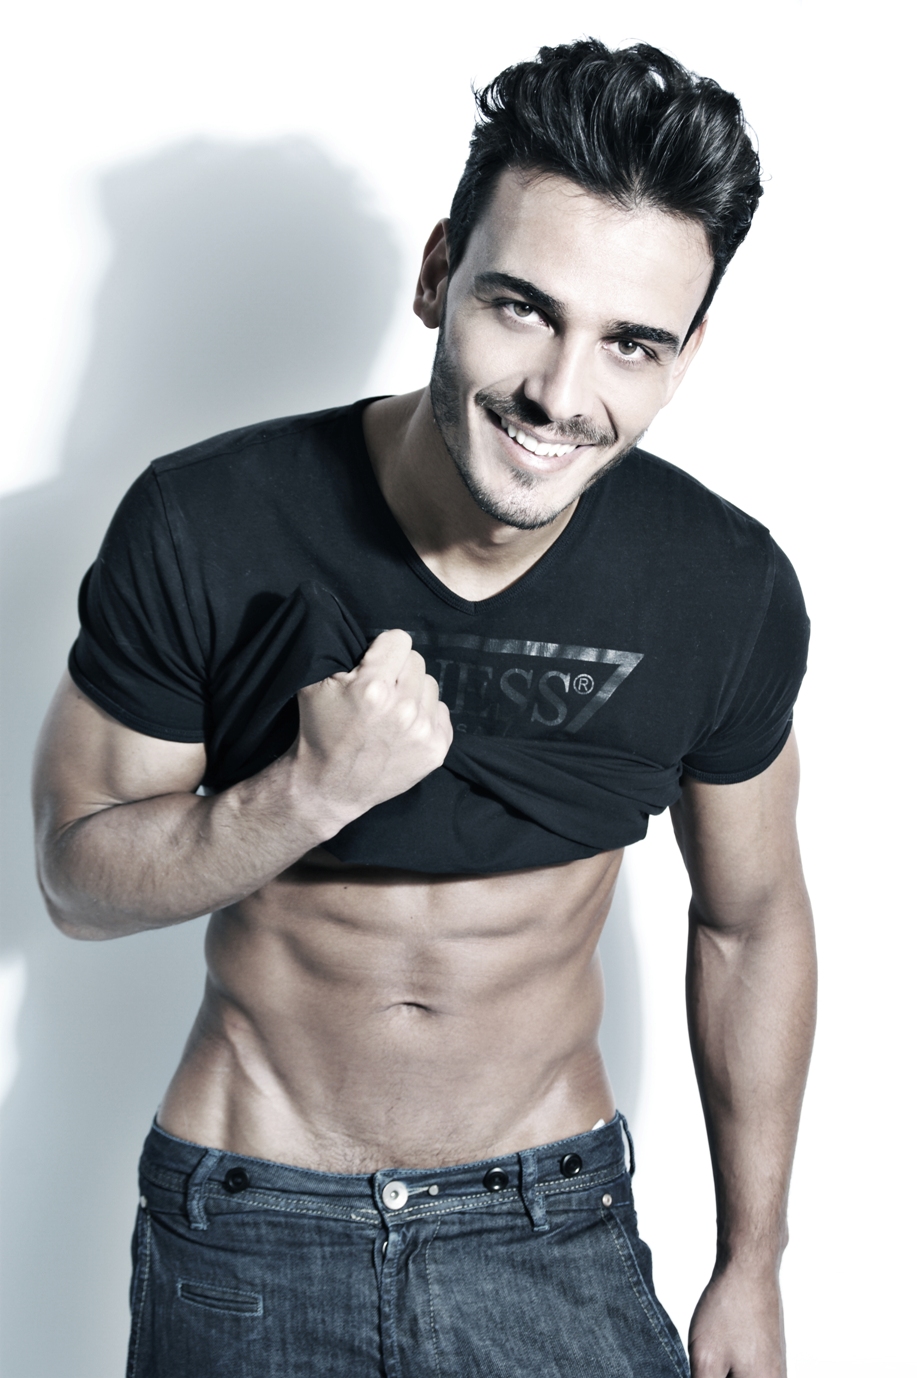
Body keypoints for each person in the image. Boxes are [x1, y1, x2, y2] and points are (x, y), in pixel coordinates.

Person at [32, 38, 815, 1378]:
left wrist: (753, 1262)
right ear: (439, 273)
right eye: (522, 308)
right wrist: (305, 793)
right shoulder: (208, 520)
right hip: (247, 1225)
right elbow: (77, 881)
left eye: (629, 343)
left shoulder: (721, 586)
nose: (560, 395)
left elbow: (751, 923)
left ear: (683, 357)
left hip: (546, 1224)